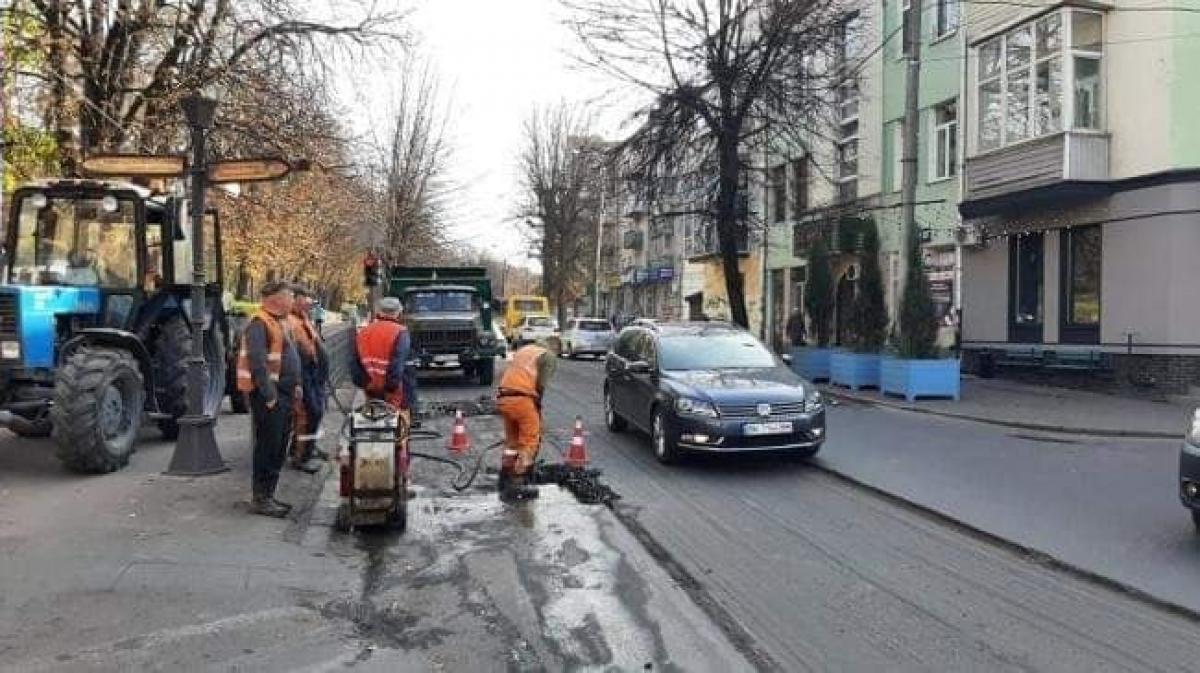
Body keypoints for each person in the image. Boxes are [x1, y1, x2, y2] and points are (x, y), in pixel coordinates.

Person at [236, 281, 302, 518]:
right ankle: (261, 498)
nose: (292, 300)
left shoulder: (280, 322)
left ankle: (269, 495)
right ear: (276, 298)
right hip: (270, 396)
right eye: (289, 296)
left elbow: (287, 356)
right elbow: (258, 362)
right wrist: (270, 396)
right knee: (268, 446)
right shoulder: (259, 323)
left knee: (279, 446)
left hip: (283, 394)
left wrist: (296, 385)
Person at [495, 339, 557, 501]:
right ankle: (519, 482)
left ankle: (505, 477)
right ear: (553, 347)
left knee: (512, 442)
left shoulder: (525, 350)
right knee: (529, 441)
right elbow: (541, 384)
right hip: (522, 400)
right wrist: (538, 404)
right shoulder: (547, 355)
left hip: (504, 397)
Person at [350, 295, 414, 423]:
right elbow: (397, 363)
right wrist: (391, 386)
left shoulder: (364, 332)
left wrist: (365, 383)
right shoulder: (400, 332)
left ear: (379, 312)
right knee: (398, 422)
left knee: (374, 420)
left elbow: (355, 362)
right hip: (393, 389)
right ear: (398, 313)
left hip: (370, 387)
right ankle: (401, 435)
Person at [288, 287, 330, 474]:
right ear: (295, 299)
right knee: (307, 414)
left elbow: (314, 343)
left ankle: (307, 448)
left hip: (312, 373)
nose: (309, 302)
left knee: (315, 412)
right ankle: (301, 456)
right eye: (305, 298)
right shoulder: (291, 321)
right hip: (303, 373)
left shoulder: (302, 318)